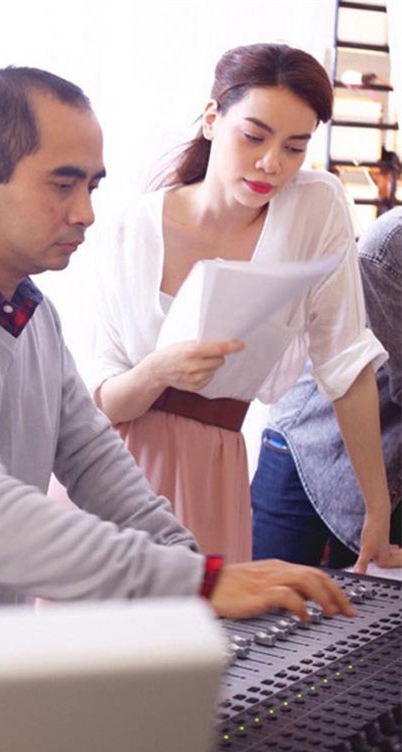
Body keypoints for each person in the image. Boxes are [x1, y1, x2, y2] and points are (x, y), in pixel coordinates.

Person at [0, 66, 353, 622]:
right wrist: (199, 582)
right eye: (62, 185)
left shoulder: (33, 316)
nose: (85, 213)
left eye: (91, 187)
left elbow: (95, 462)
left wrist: (194, 564)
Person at [87, 42, 400, 570]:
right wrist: (159, 370)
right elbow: (102, 403)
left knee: (207, 621)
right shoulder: (133, 228)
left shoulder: (315, 208)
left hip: (217, 471)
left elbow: (346, 364)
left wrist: (377, 508)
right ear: (212, 119)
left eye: (295, 148)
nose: (271, 163)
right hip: (116, 470)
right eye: (254, 136)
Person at [252, 208, 402, 572]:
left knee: (371, 600)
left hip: (390, 462)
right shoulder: (389, 246)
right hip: (310, 444)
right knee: (277, 596)